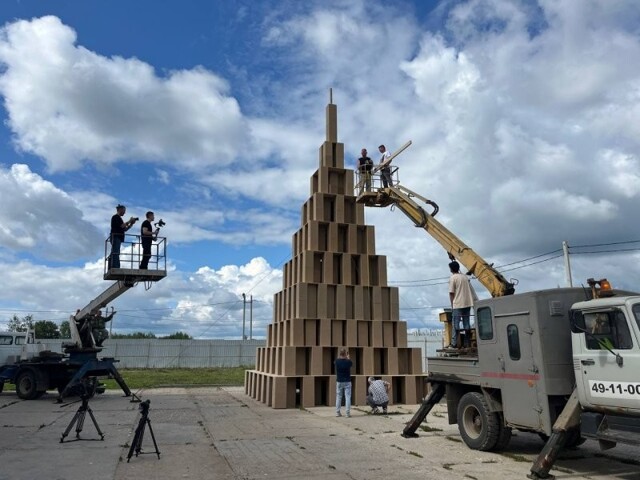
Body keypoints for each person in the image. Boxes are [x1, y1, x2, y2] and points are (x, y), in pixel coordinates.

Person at [448, 261, 478, 348]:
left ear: (451, 269)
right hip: (468, 303)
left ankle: (454, 344)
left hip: (457, 304)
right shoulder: (465, 277)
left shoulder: (453, 278)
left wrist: (452, 305)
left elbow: (451, 293)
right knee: (466, 324)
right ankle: (467, 343)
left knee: (455, 325)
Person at [109, 204, 137, 269]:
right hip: (115, 237)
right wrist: (129, 221)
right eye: (124, 210)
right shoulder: (115, 217)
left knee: (116, 252)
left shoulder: (119, 218)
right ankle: (115, 266)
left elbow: (124, 229)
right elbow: (122, 226)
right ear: (120, 210)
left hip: (118, 237)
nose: (125, 212)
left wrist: (131, 224)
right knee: (115, 252)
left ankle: (114, 266)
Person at [335, 347, 352, 417]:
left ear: (340, 354)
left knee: (339, 397)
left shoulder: (336, 361)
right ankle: (347, 413)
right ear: (345, 354)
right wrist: (348, 358)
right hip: (347, 381)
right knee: (347, 397)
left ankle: (337, 412)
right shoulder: (348, 362)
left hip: (339, 381)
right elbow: (350, 364)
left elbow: (337, 361)